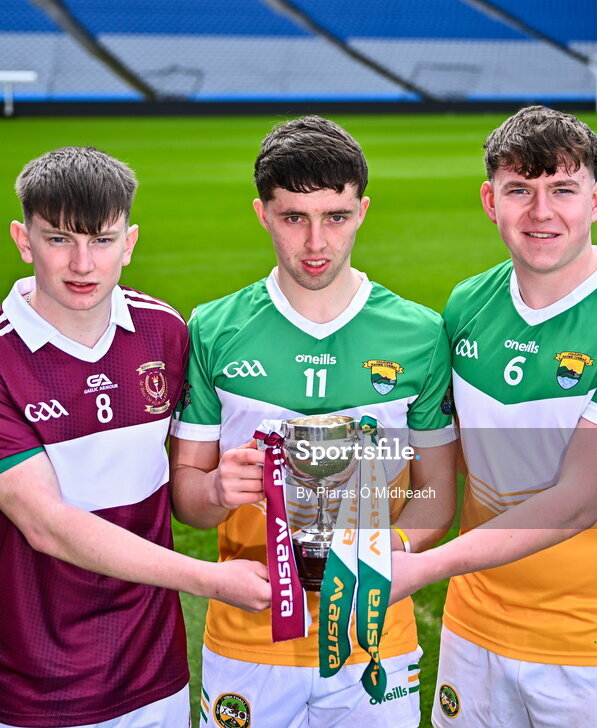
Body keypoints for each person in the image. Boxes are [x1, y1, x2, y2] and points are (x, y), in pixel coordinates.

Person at [0, 146, 270, 728]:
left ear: (130, 242)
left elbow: (186, 491)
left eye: (102, 240)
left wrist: (219, 486)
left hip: (156, 673)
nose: (83, 264)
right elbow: (46, 525)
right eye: (60, 239)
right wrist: (213, 580)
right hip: (42, 684)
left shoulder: (163, 331)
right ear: (23, 239)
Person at [391, 106, 597, 728]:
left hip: (593, 645)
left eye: (562, 189)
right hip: (473, 628)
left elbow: (580, 500)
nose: (540, 212)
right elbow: (433, 454)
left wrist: (423, 565)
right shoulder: (467, 303)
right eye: (519, 191)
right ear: (489, 199)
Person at [169, 116, 457, 728]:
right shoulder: (214, 330)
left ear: (363, 211)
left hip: (374, 638)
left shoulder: (421, 334)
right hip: (249, 639)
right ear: (262, 214)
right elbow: (188, 504)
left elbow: (435, 497)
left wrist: (387, 554)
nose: (316, 242)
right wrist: (219, 489)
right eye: (293, 217)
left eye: (336, 216)